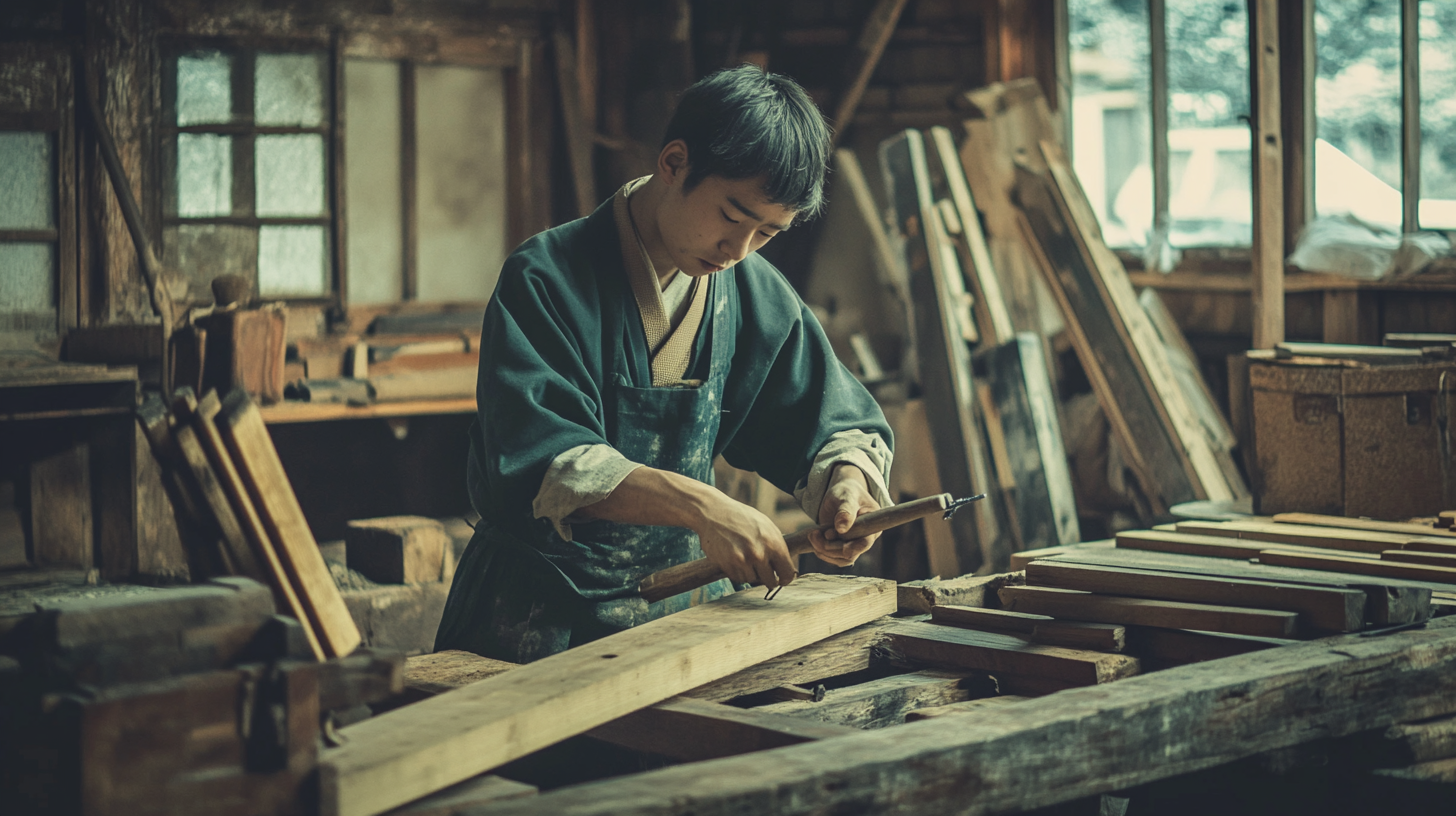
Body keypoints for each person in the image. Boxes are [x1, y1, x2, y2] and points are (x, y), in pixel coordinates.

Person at [434, 65, 894, 664]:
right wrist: (702, 506)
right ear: (673, 163)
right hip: (537, 613)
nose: (739, 251)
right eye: (732, 216)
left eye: (767, 233)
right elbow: (543, 457)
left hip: (679, 613)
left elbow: (828, 421)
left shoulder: (752, 291)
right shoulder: (546, 276)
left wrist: (847, 489)